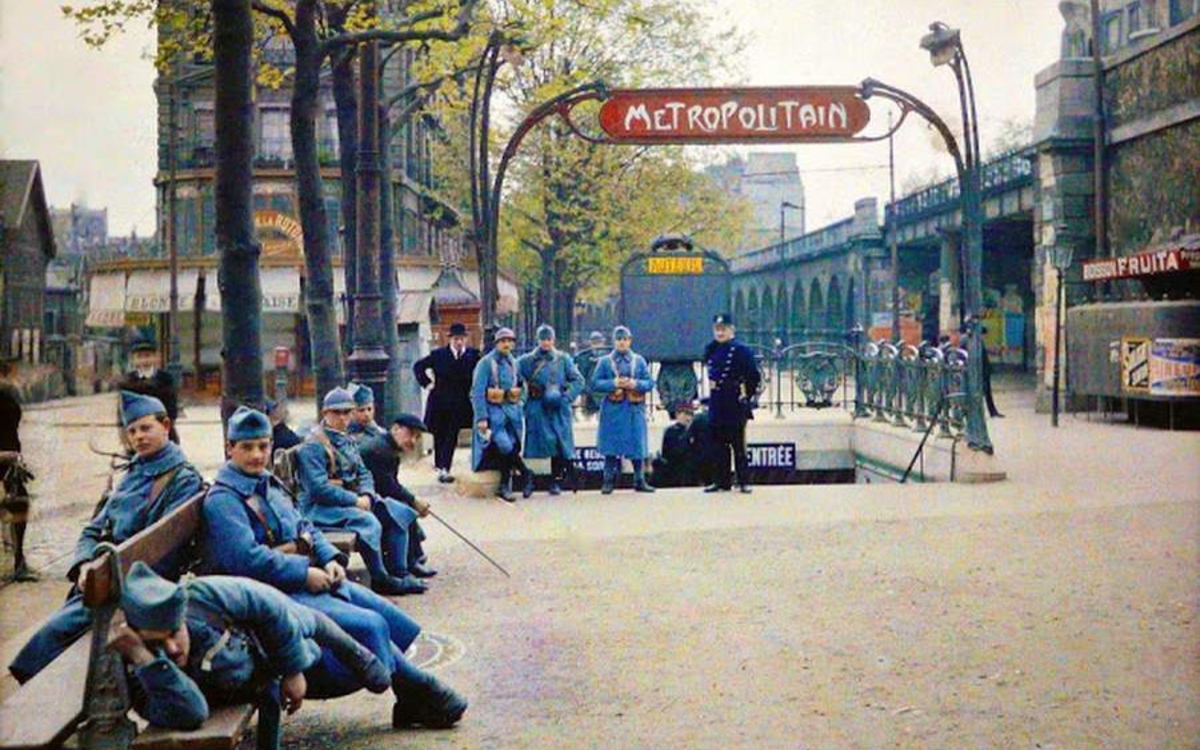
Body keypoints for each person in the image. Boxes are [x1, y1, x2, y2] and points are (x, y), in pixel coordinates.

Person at [200, 408, 466, 730]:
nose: (257, 455)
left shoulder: (265, 482)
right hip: (266, 595)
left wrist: (328, 558)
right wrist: (304, 572)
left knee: (382, 610)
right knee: (368, 624)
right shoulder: (224, 500)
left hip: (298, 578)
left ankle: (413, 693)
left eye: (263, 446)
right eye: (247, 447)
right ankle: (418, 690)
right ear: (230, 448)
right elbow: (246, 560)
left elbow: (303, 525)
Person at [9, 391, 204, 683]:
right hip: (105, 575)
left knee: (49, 641)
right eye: (132, 431)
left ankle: (49, 703)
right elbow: (93, 528)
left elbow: (164, 551)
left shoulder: (180, 478)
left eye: (146, 428)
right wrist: (86, 564)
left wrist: (105, 572)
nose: (138, 437)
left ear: (166, 426)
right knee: (52, 639)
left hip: (135, 583)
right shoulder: (135, 472)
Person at [295, 388, 426, 596]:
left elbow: (364, 472)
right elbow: (318, 489)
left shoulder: (346, 438)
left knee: (399, 511)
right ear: (325, 413)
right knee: (368, 521)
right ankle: (380, 578)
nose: (342, 418)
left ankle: (400, 572)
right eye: (336, 413)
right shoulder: (313, 445)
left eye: (347, 412)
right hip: (320, 508)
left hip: (349, 501)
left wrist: (367, 494)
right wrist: (354, 500)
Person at [359, 414, 437, 578]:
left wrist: (412, 500)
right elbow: (387, 487)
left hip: (372, 495)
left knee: (404, 504)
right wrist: (414, 500)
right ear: (395, 429)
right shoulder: (379, 450)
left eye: (417, 437)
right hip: (362, 500)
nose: (413, 441)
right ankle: (402, 568)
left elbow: (390, 486)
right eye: (410, 434)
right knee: (401, 508)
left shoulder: (387, 447)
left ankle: (413, 559)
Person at [517, 324, 584, 498]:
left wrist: (567, 397)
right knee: (543, 443)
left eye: (548, 339)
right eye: (542, 339)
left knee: (559, 443)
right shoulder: (526, 361)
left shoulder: (563, 359)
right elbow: (515, 376)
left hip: (558, 406)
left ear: (553, 340)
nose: (546, 343)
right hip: (537, 405)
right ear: (537, 340)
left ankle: (555, 481)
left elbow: (578, 380)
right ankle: (531, 479)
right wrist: (523, 398)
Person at [590, 326, 656, 495]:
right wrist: (614, 383)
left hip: (634, 408)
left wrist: (635, 384)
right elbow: (595, 384)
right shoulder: (605, 362)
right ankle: (608, 481)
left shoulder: (639, 361)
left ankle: (639, 480)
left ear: (630, 341)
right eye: (619, 339)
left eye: (625, 339)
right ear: (614, 341)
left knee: (637, 447)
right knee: (610, 448)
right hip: (613, 409)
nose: (622, 342)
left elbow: (649, 383)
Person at [413, 323, 480, 484]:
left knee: (452, 434)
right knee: (440, 435)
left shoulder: (474, 356)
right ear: (450, 339)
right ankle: (442, 467)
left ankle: (448, 467)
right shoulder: (439, 355)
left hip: (462, 403)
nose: (459, 342)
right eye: (456, 339)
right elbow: (419, 366)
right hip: (441, 402)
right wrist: (428, 384)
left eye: (462, 339)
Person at [702, 313, 761, 494]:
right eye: (717, 329)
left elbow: (754, 375)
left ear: (731, 330)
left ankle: (743, 481)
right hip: (717, 401)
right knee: (718, 444)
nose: (720, 333)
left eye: (724, 329)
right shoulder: (711, 348)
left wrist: (747, 395)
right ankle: (721, 481)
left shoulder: (740, 350)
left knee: (738, 444)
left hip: (734, 401)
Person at [469, 327, 528, 502]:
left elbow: (522, 385)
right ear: (496, 343)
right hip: (494, 414)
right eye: (503, 341)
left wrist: (521, 403)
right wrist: (481, 417)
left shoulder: (514, 362)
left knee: (513, 447)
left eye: (510, 341)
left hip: (512, 414)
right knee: (505, 446)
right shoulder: (486, 363)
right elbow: (477, 392)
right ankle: (525, 473)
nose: (507, 344)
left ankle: (506, 485)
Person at [0, 357, 33, 580]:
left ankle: (19, 559)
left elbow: (11, 429)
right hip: (4, 457)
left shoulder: (9, 396)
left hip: (10, 459)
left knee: (19, 502)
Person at [116, 333, 180, 444]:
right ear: (133, 360)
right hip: (137, 435)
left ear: (156, 357)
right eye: (139, 357)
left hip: (163, 433)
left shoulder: (165, 379)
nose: (144, 360)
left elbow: (172, 409)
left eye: (147, 356)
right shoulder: (127, 383)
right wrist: (125, 438)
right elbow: (122, 413)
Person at [651, 401, 698, 488]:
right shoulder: (671, 431)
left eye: (690, 415)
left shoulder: (694, 430)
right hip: (674, 466)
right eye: (685, 414)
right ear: (677, 415)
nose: (688, 418)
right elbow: (673, 451)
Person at [573, 331, 608, 418]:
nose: (597, 345)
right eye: (594, 342)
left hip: (606, 392)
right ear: (590, 343)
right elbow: (581, 377)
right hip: (589, 394)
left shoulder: (609, 357)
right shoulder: (584, 358)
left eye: (598, 342)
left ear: (603, 343)